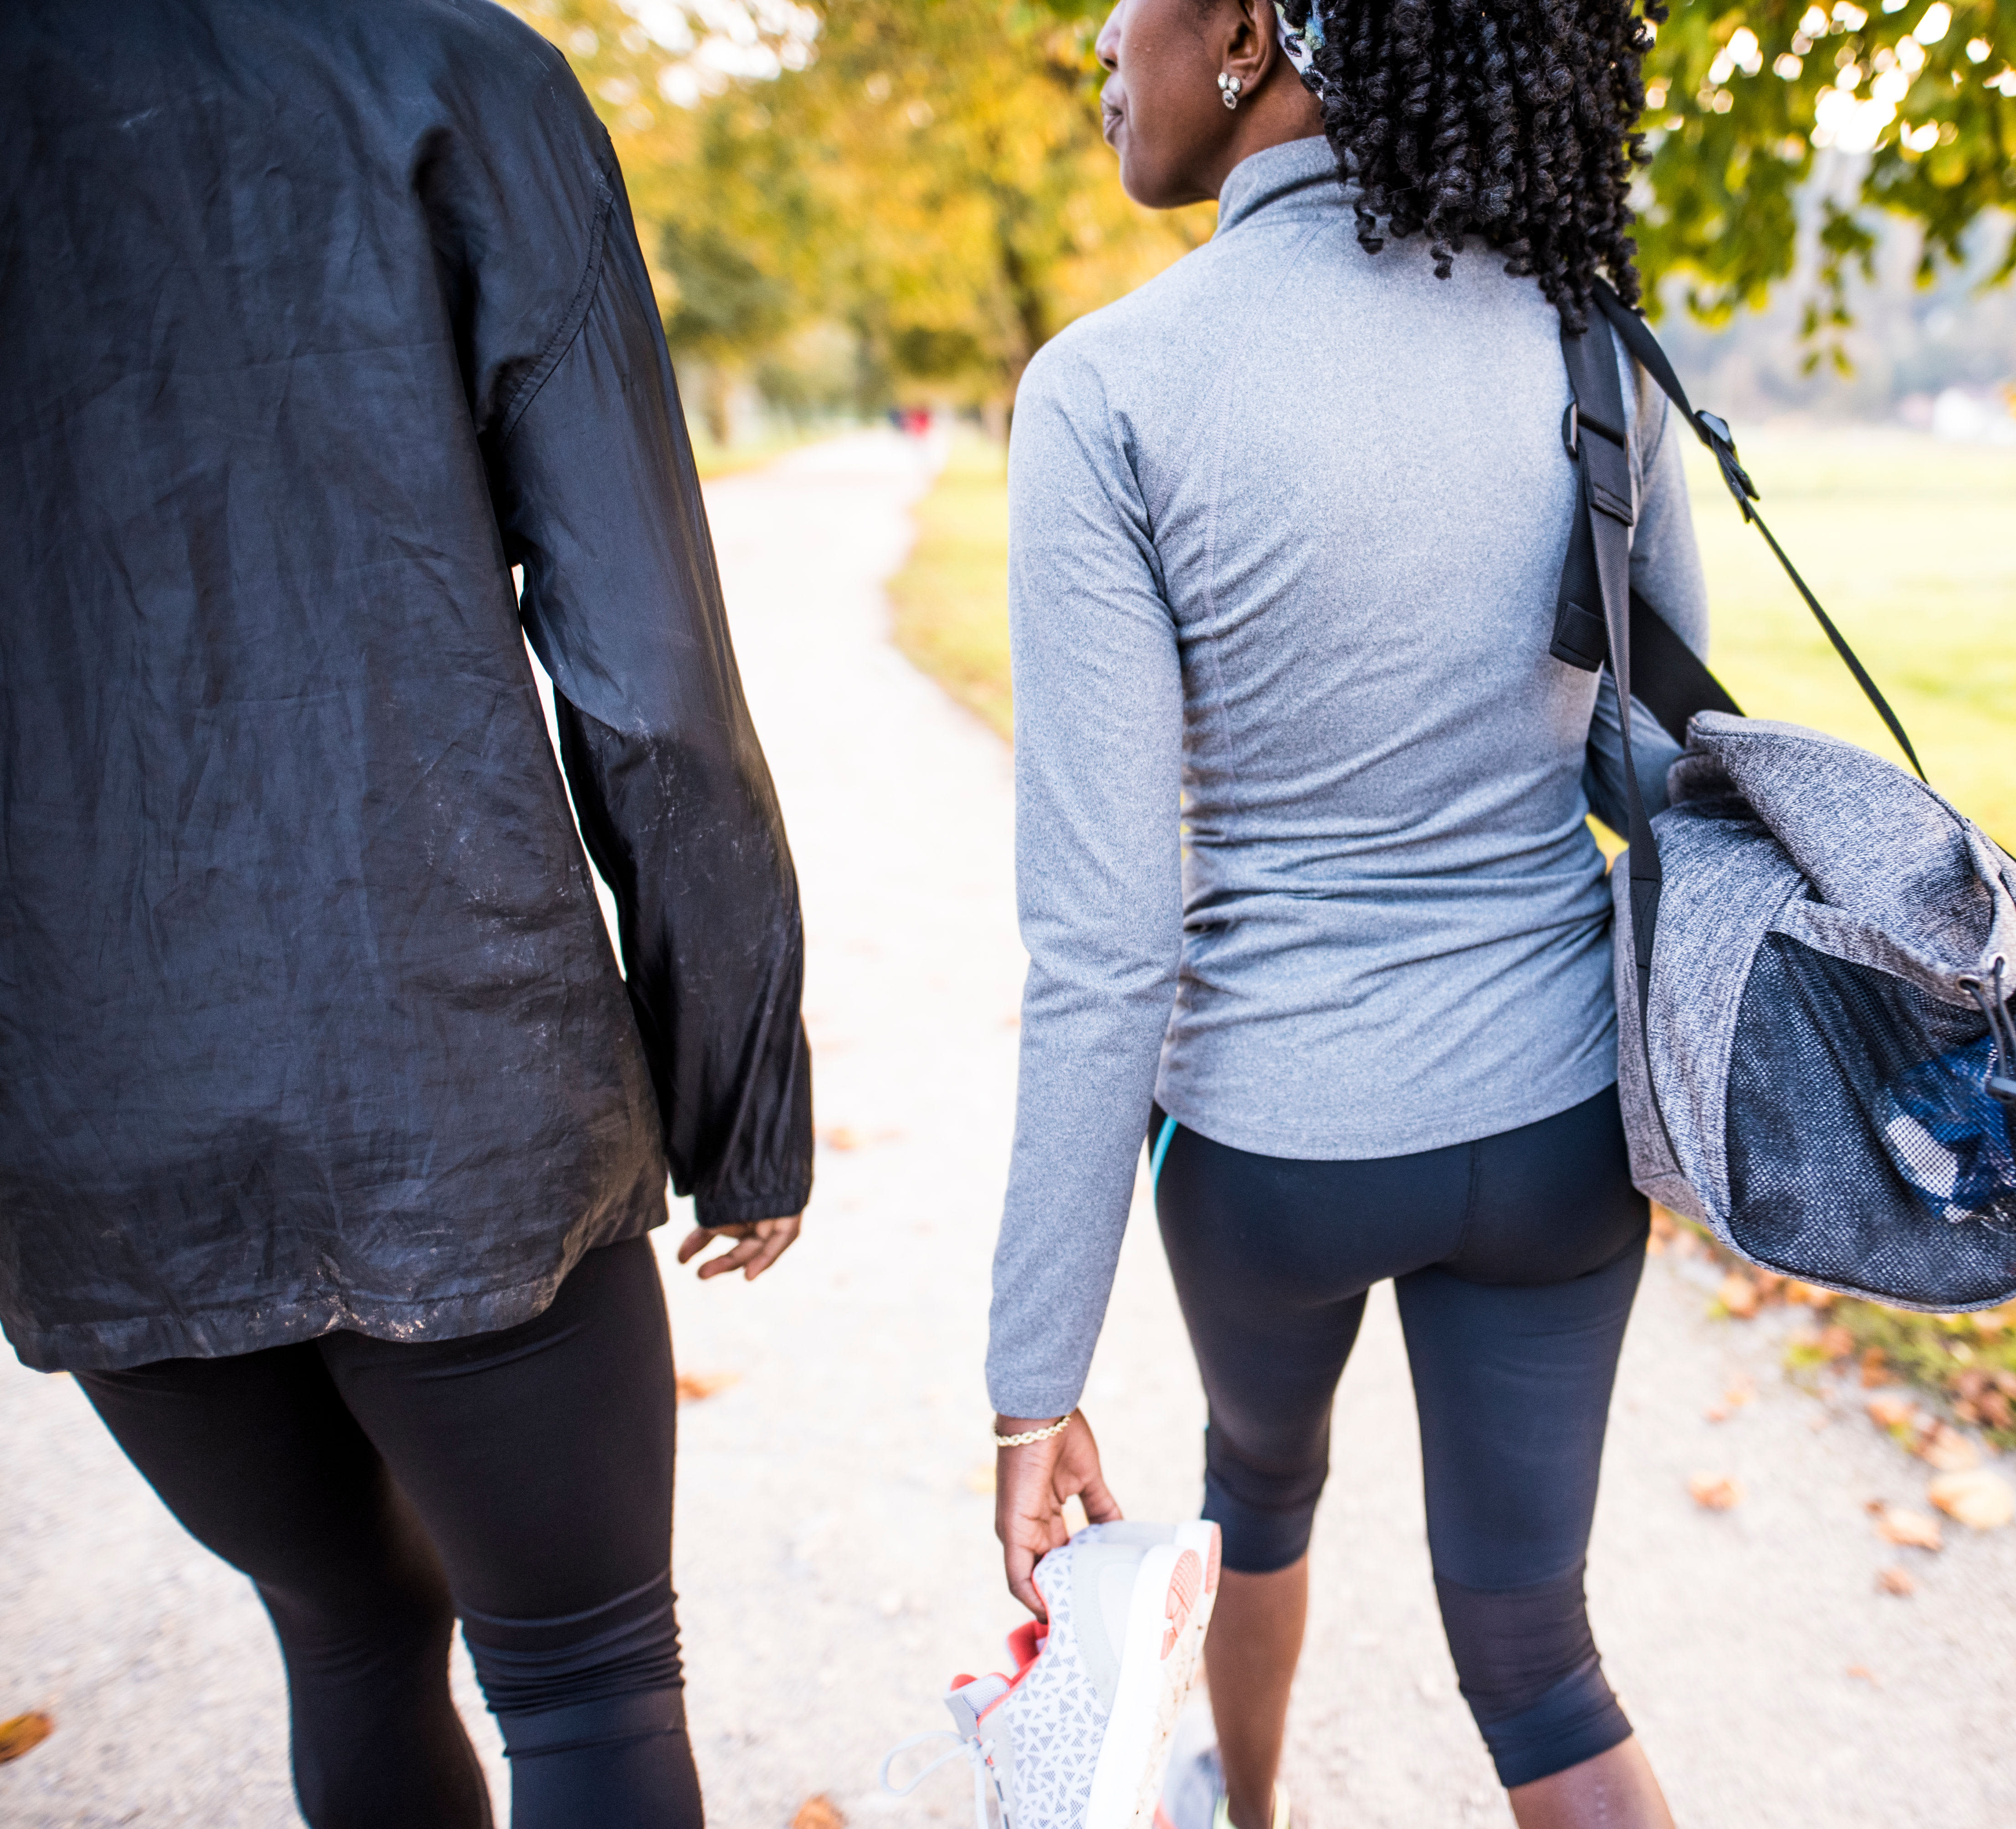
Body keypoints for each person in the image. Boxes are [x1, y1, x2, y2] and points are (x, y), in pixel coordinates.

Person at [0, 3, 811, 1824]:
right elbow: (655, 680)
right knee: (591, 1681)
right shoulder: (455, 73)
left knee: (347, 1623)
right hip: (460, 1067)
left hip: (85, 1118)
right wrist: (738, 1086)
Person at [985, 2, 1696, 1824]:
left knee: (1257, 1488)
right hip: (1556, 1136)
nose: (1098, 40)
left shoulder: (1110, 386)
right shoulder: (1587, 333)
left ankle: (1250, 1811)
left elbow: (1104, 941)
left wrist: (1031, 1378)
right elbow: (1658, 755)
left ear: (1242, 28)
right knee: (1538, 1654)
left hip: (1272, 1154)